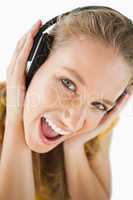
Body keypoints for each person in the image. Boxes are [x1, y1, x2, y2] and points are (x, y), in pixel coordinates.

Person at [0, 5, 133, 200]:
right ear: (34, 62)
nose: (72, 123)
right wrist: (15, 121)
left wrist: (74, 146)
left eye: (98, 105)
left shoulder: (94, 130)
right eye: (68, 84)